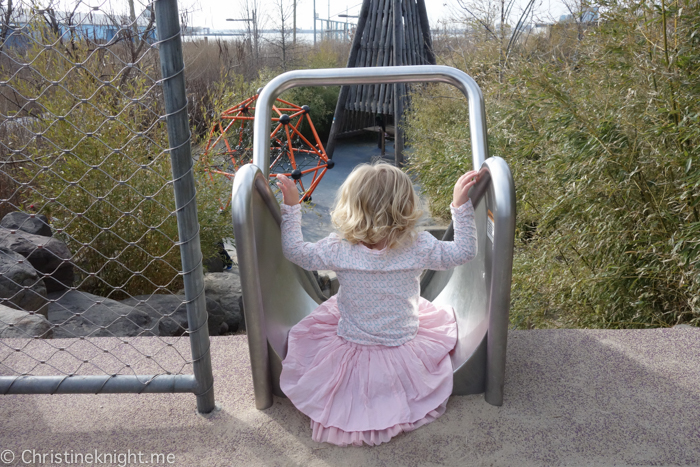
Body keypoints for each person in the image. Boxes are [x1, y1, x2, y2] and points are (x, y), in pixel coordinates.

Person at [276, 162, 479, 447]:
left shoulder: (338, 248)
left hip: (352, 335)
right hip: (402, 337)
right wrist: (460, 205)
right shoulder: (418, 245)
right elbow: (464, 251)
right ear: (405, 206)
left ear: (351, 205)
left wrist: (291, 206)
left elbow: (295, 251)